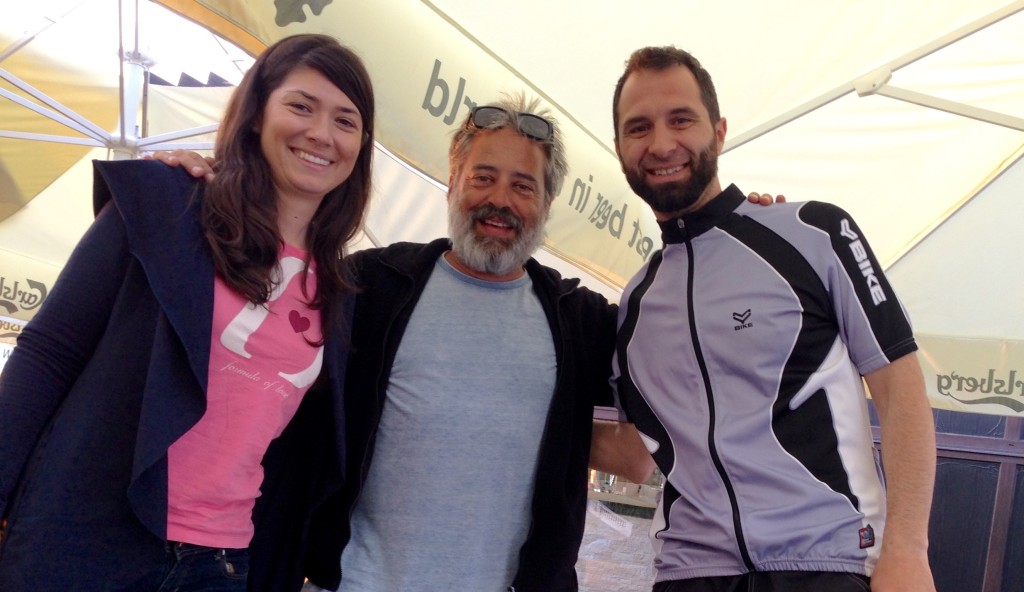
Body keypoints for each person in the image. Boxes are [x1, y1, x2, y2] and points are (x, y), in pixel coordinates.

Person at [155, 95, 782, 591]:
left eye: (523, 185)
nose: (500, 200)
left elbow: (637, 454)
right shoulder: (369, 285)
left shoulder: (580, 320)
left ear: (546, 203)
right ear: (453, 178)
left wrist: (734, 237)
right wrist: (206, 188)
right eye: (484, 176)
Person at [0, 34, 375, 592]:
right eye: (301, 106)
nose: (321, 133)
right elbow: (49, 353)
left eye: (346, 120)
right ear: (255, 115)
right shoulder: (167, 206)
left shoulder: (339, 288)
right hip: (89, 535)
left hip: (220, 561)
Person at [610, 46, 937, 592]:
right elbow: (635, 454)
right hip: (690, 575)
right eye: (638, 127)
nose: (662, 143)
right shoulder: (634, 304)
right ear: (620, 148)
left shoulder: (816, 233)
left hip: (828, 564)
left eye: (681, 119)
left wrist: (908, 550)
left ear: (718, 131)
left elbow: (900, 389)